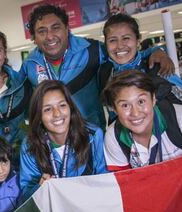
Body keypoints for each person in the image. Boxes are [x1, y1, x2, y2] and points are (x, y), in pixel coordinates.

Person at [20, 4, 174, 130]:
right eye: (42, 31)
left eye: (55, 27)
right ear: (33, 37)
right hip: (55, 137)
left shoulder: (92, 49)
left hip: (94, 134)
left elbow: (123, 54)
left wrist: (155, 51)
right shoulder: (29, 65)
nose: (50, 36)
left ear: (67, 29)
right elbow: (21, 99)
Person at [20, 80, 107, 200]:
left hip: (89, 205)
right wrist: (39, 188)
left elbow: (105, 180)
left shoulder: (93, 135)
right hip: (53, 211)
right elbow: (25, 195)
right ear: (38, 116)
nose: (57, 114)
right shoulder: (30, 144)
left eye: (62, 105)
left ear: (70, 108)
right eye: (48, 109)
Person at [102, 70, 182, 171]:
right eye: (125, 105)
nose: (135, 113)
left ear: (153, 99)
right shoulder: (113, 137)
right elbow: (123, 182)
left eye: (141, 101)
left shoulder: (179, 119)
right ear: (114, 109)